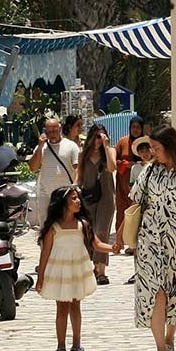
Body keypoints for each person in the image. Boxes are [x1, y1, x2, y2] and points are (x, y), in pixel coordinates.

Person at [116, 126, 176, 351]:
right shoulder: (149, 172)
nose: (153, 153)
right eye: (151, 149)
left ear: (171, 146)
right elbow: (135, 205)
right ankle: (160, 348)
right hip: (150, 241)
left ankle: (170, 337)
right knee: (156, 290)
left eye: (157, 148)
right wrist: (119, 235)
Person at [35, 186, 119, 351]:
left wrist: (113, 248)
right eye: (73, 199)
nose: (78, 201)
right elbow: (45, 253)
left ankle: (76, 343)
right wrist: (40, 277)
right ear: (62, 203)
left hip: (76, 270)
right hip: (60, 271)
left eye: (78, 198)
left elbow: (96, 244)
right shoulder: (53, 228)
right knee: (61, 308)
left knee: (75, 306)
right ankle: (60, 346)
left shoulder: (83, 225)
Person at [78, 122, 117, 284]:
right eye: (96, 136)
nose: (99, 139)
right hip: (87, 197)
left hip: (106, 197)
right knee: (87, 233)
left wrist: (106, 147)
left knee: (102, 232)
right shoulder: (83, 154)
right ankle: (90, 267)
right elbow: (79, 175)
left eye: (102, 136)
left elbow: (112, 167)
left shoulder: (110, 151)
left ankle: (101, 271)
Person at [27, 117, 80, 230]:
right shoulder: (41, 148)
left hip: (65, 194)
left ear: (60, 129)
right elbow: (33, 167)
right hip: (45, 194)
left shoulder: (71, 146)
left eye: (55, 130)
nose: (53, 134)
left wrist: (74, 185)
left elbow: (77, 168)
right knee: (46, 226)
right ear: (45, 131)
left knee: (64, 224)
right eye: (49, 131)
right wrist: (40, 147)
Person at [122, 136, 154, 284]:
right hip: (139, 206)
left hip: (153, 207)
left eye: (146, 150)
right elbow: (132, 186)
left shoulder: (156, 166)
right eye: (141, 151)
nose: (145, 153)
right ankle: (137, 271)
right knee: (136, 240)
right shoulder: (136, 168)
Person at [114, 116, 146, 248]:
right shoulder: (122, 142)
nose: (136, 130)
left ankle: (135, 243)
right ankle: (120, 241)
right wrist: (127, 164)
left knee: (138, 213)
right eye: (133, 127)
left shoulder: (146, 142)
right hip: (124, 183)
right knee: (122, 211)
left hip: (142, 185)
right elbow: (114, 160)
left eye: (138, 127)